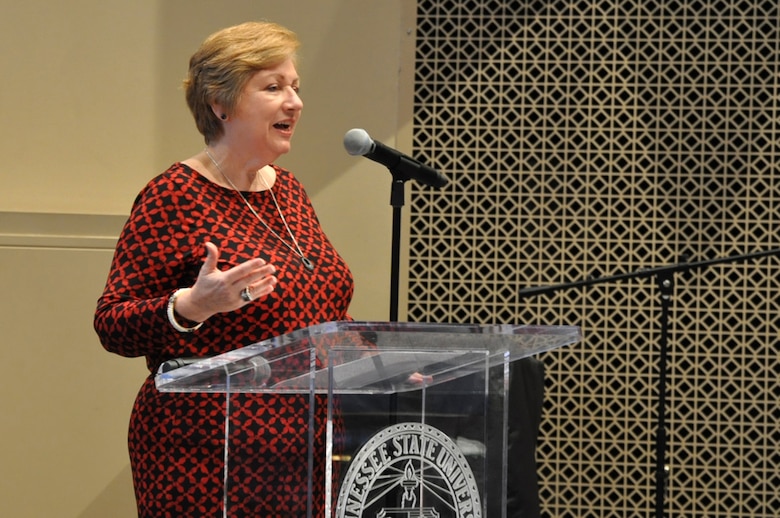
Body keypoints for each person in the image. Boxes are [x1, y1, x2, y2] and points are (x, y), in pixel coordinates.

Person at [94, 21, 354, 517]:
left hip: (308, 448)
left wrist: (385, 364)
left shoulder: (290, 192)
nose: (294, 102)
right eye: (273, 87)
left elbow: (313, 312)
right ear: (221, 103)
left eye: (295, 87)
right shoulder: (173, 195)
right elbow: (112, 323)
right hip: (207, 451)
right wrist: (190, 306)